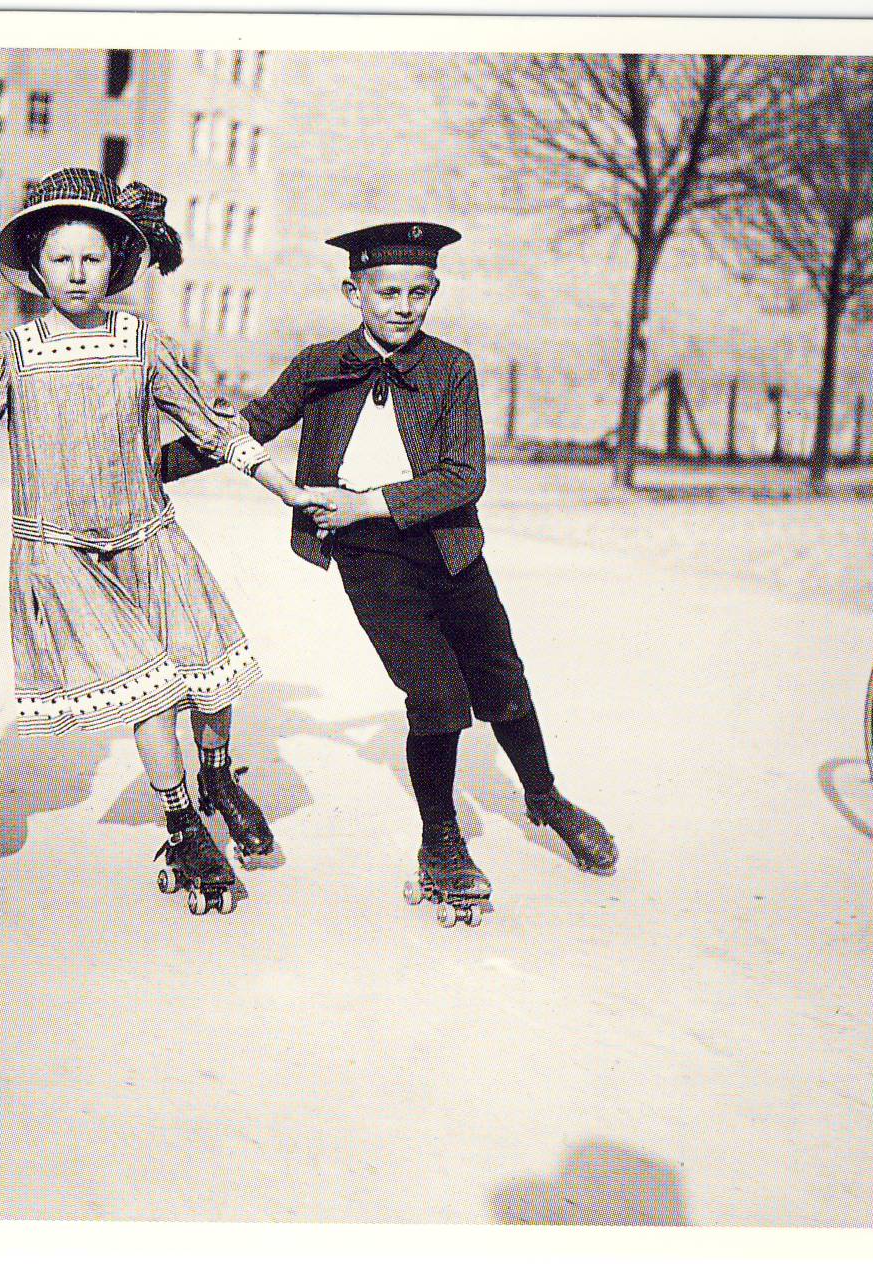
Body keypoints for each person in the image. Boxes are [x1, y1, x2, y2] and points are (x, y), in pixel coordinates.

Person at [0, 168, 322, 913]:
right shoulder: (10, 354)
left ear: (114, 263)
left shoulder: (143, 343)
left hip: (151, 541)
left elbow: (216, 431)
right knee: (152, 694)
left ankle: (215, 777)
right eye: (60, 260)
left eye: (91, 258)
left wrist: (289, 491)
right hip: (61, 555)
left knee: (212, 676)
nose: (77, 273)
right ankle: (181, 823)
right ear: (36, 270)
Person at [162, 221, 617, 922]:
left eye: (418, 293)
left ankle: (545, 795)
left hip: (451, 544)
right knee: (435, 694)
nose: (403, 307)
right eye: (387, 293)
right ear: (355, 292)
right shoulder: (319, 364)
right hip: (369, 555)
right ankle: (442, 839)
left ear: (433, 293)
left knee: (502, 677)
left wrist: (365, 502)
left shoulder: (451, 368)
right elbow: (252, 423)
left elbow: (465, 477)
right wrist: (153, 468)